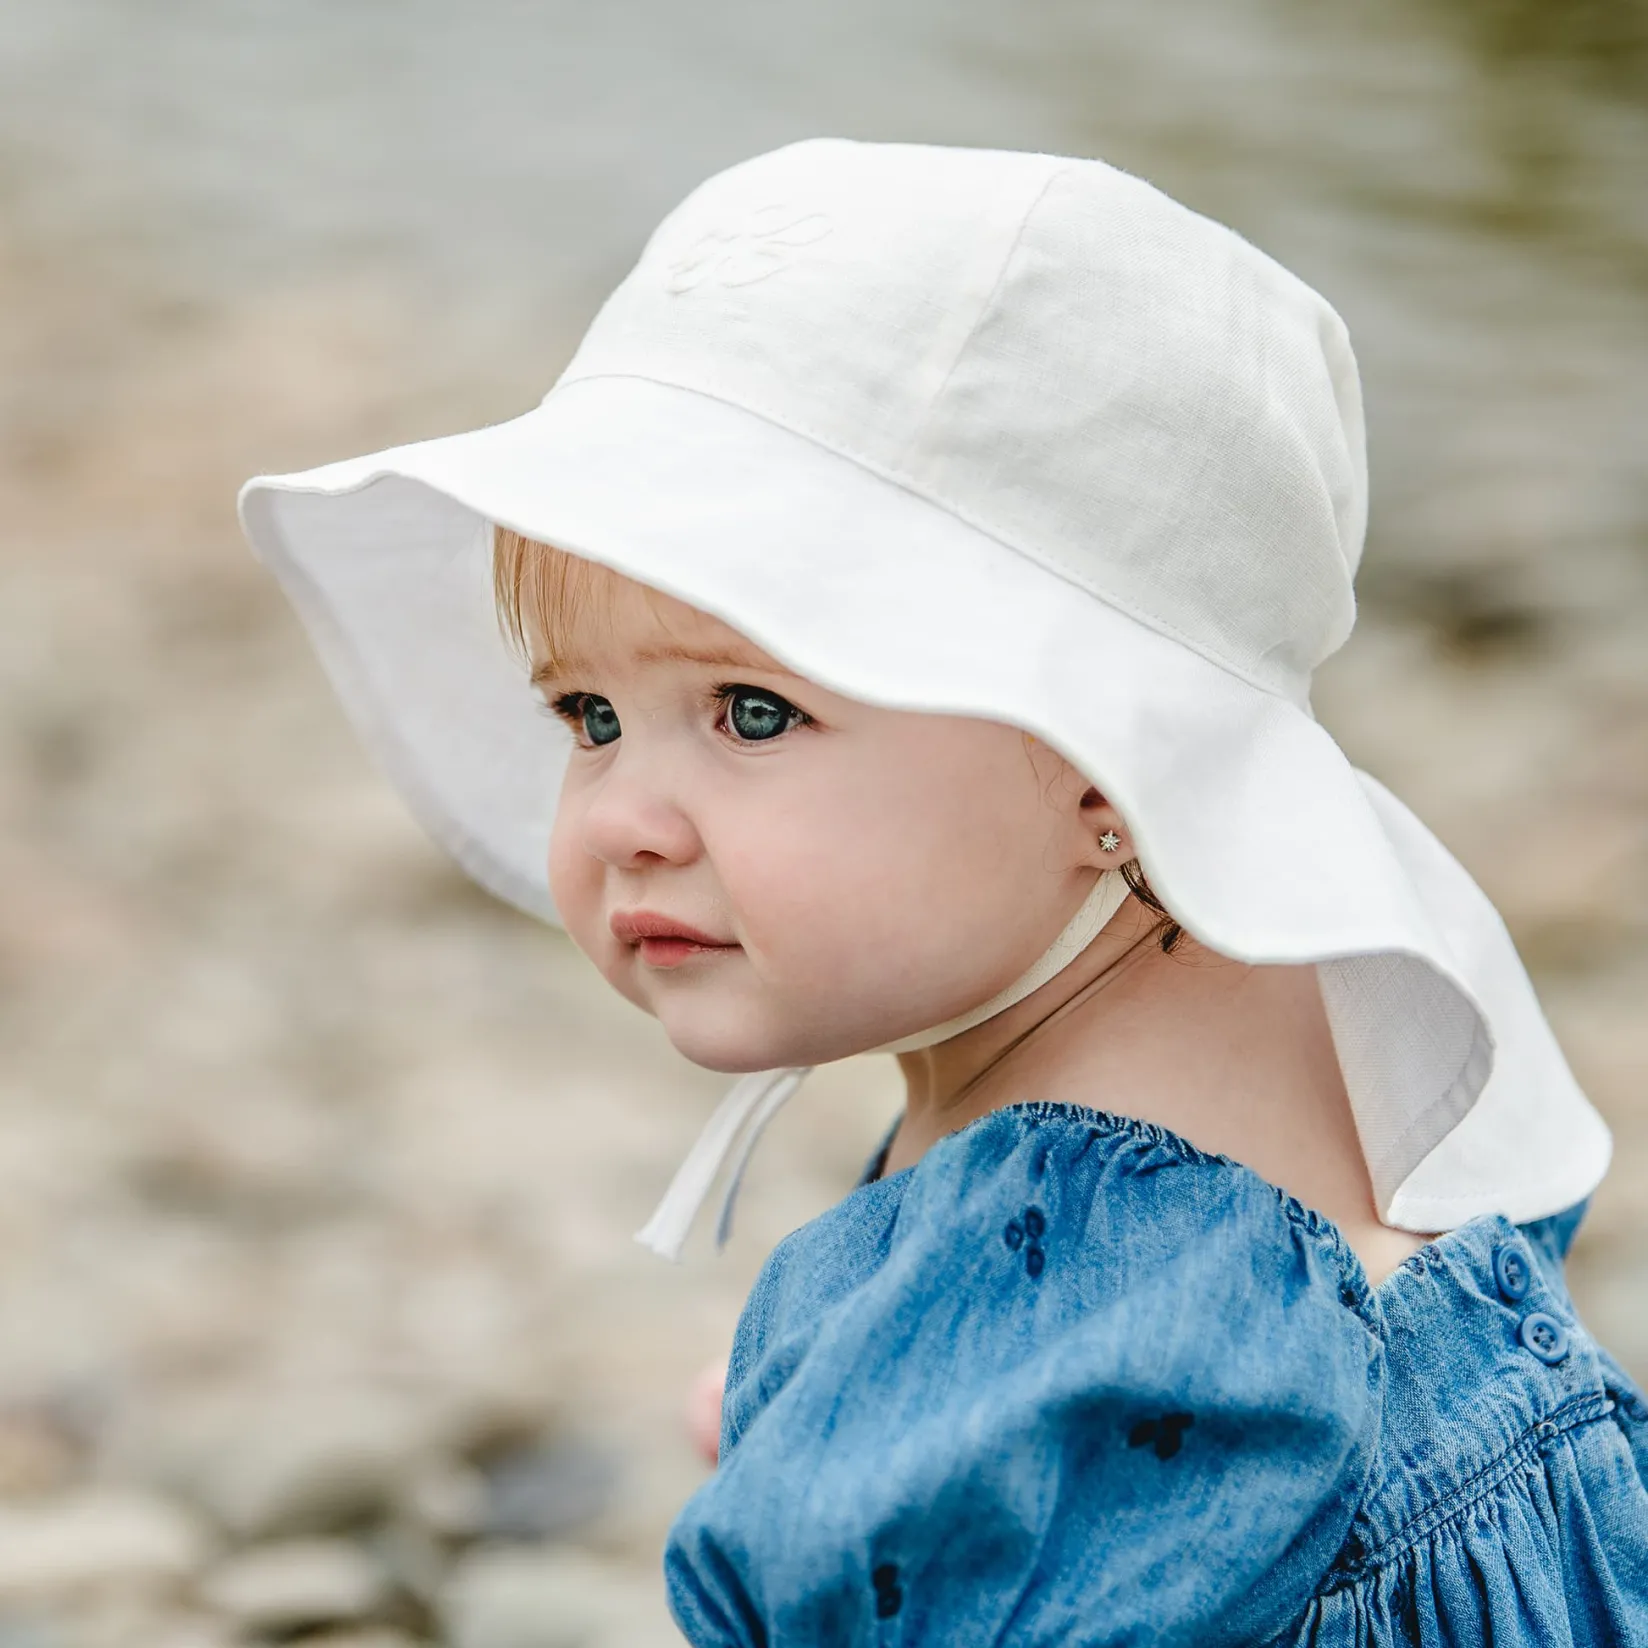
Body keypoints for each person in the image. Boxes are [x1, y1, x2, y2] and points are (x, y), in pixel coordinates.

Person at [238, 139, 1648, 1644]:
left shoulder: (1074, 1257)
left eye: (751, 713)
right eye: (587, 717)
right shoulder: (1296, 1029)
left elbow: (1122, 1377)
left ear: (1110, 759)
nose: (626, 820)